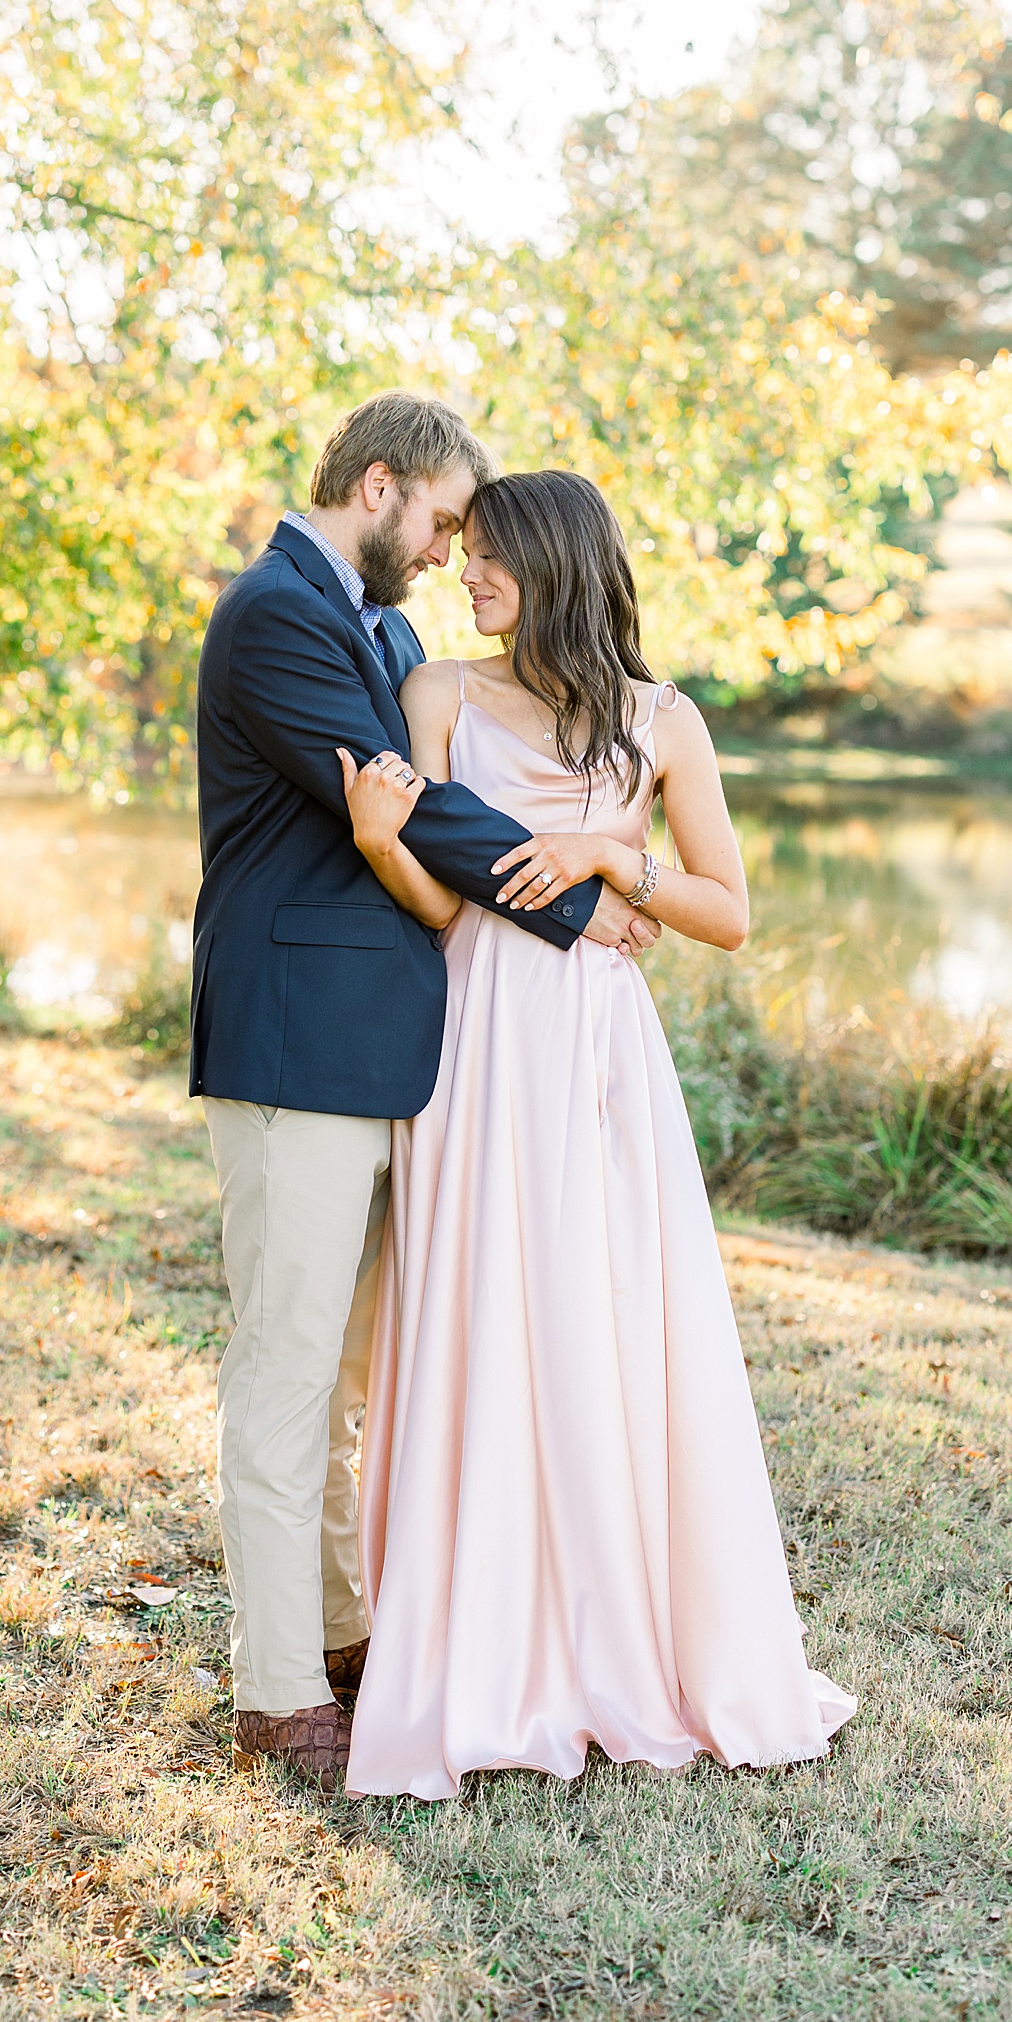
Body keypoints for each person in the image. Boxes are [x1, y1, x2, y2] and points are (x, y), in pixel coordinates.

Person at [338, 469, 856, 1799]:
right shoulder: (441, 693)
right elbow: (441, 908)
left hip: (597, 1051)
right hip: (475, 1039)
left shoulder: (664, 720)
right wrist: (385, 841)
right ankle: (480, 1638)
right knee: (480, 1310)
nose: (468, 574)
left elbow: (729, 910)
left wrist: (617, 867)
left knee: (602, 1313)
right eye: (464, 557)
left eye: (492, 555)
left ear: (555, 560)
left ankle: (619, 1632)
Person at [190, 398, 662, 1793]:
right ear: (380, 485)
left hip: (399, 1054)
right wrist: (579, 892)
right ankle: (277, 1688)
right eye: (448, 517)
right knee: (284, 1369)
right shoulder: (276, 616)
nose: (457, 546)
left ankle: (343, 1633)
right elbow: (416, 807)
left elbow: (418, 827)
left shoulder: (387, 630)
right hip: (295, 1046)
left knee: (349, 1375)